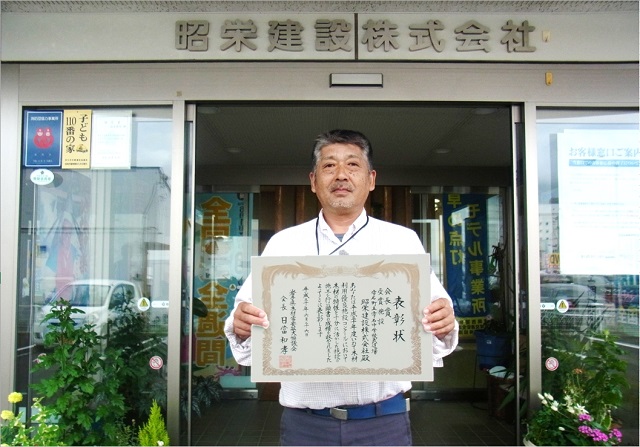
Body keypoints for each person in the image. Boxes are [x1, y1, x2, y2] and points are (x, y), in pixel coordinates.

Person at [224, 129, 459, 446]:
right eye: (329, 165)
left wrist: (443, 322)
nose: (341, 175)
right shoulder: (284, 244)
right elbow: (246, 325)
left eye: (352, 164)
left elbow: (437, 329)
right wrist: (242, 324)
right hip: (306, 425)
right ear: (313, 181)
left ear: (371, 179)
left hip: (383, 422)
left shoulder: (402, 241)